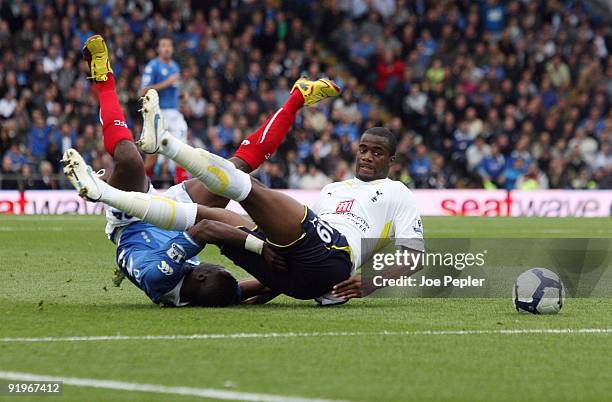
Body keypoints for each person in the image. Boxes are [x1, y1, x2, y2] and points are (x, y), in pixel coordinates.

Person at [65, 35, 339, 307]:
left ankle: (103, 83)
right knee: (236, 171)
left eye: (217, 269)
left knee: (129, 159)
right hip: (177, 217)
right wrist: (313, 282)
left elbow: (207, 229)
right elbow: (266, 285)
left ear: (204, 277)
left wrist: (262, 247)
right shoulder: (215, 292)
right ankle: (297, 98)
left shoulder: (163, 278)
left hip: (131, 225)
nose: (214, 264)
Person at [132, 87, 425, 304]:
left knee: (248, 187)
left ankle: (167, 145)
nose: (367, 157)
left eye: (377, 152)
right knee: (213, 221)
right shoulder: (332, 190)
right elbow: (293, 241)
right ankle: (176, 286)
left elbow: (414, 259)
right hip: (297, 278)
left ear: (391, 161)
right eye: (363, 149)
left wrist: (369, 284)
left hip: (335, 258)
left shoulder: (396, 192)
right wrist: (260, 293)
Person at [140, 35, 188, 184]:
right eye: (163, 45)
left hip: (174, 113)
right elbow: (142, 92)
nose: (167, 48)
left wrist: (181, 95)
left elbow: (173, 89)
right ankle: (142, 187)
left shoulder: (174, 66)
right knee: (152, 156)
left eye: (169, 45)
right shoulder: (153, 66)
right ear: (158, 49)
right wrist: (167, 82)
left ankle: (182, 190)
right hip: (158, 113)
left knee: (181, 153)